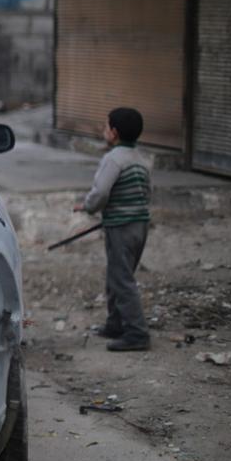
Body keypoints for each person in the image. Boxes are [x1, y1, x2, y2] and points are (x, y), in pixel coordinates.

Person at [74, 107, 153, 352]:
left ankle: (137, 333)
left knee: (121, 279)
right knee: (117, 275)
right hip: (140, 225)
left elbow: (101, 192)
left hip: (121, 226)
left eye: (106, 127)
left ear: (114, 133)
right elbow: (147, 192)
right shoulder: (140, 159)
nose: (103, 130)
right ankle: (115, 323)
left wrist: (88, 207)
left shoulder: (113, 159)